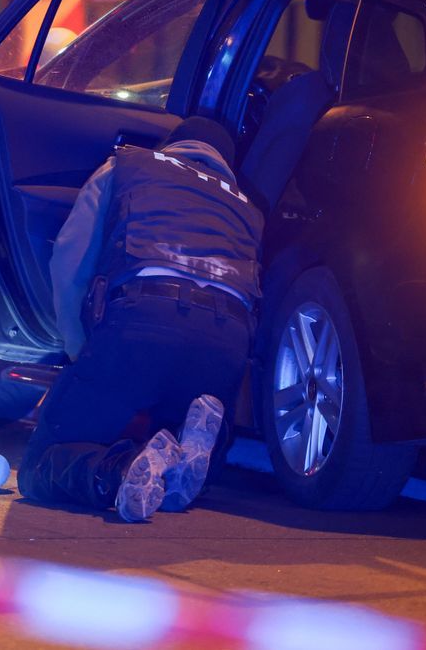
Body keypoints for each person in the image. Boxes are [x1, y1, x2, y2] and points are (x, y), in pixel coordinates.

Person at [18, 117, 264, 522]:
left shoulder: (128, 166)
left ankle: (119, 472)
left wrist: (81, 348)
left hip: (143, 323)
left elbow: (70, 258)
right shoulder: (247, 208)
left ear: (173, 146)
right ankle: (189, 455)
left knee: (41, 465)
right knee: (181, 418)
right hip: (225, 342)